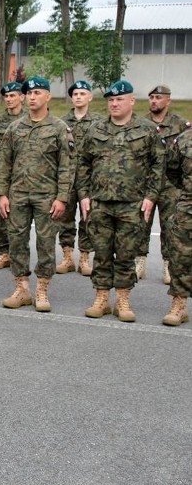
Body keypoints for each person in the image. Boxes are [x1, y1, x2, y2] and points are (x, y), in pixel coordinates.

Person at [78, 80, 161, 322]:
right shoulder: (96, 130)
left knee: (126, 255)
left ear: (131, 101)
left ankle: (123, 299)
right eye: (111, 100)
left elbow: (158, 165)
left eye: (119, 99)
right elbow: (82, 163)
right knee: (102, 253)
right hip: (100, 203)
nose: (114, 104)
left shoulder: (146, 130)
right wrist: (83, 195)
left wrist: (150, 196)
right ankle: (102, 298)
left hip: (131, 203)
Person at [0, 77, 73, 312]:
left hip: (47, 197)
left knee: (45, 243)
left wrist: (62, 197)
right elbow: (3, 163)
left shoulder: (59, 128)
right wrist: (2, 194)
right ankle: (21, 289)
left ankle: (42, 289)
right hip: (17, 195)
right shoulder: (15, 128)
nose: (31, 97)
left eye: (37, 93)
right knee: (17, 241)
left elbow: (67, 166)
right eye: (29, 93)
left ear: (48, 97)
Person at [136, 85, 191, 283]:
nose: (154, 101)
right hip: (146, 182)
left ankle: (168, 265)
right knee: (141, 223)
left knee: (170, 226)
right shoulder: (140, 124)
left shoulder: (180, 125)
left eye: (158, 97)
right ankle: (139, 262)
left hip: (170, 183)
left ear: (168, 100)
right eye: (151, 97)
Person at [57, 80, 100, 276]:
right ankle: (67, 257)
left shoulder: (99, 122)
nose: (79, 97)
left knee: (87, 218)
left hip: (89, 178)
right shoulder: (62, 122)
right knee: (65, 218)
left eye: (83, 94)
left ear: (90, 96)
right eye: (75, 94)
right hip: (67, 177)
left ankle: (84, 258)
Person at [0, 81, 26, 270]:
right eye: (7, 96)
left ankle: (18, 253)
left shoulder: (29, 118)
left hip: (23, 177)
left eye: (13, 96)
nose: (9, 99)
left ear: (22, 97)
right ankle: (4, 253)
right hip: (0, 175)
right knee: (1, 215)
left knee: (20, 218)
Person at [162, 125, 192, 326]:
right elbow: (172, 170)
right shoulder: (184, 139)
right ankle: (179, 304)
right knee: (180, 256)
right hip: (188, 205)